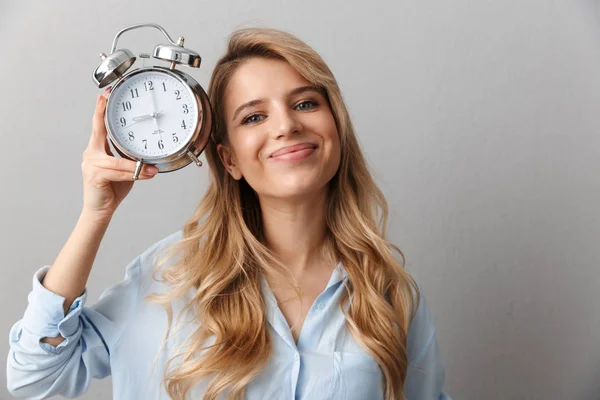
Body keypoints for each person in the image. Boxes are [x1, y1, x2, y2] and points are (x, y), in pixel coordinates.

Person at [6, 28, 451, 400]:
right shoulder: (168, 279)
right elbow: (34, 377)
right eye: (253, 117)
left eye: (305, 103)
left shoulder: (388, 293)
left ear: (336, 127)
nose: (286, 125)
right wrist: (95, 213)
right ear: (229, 159)